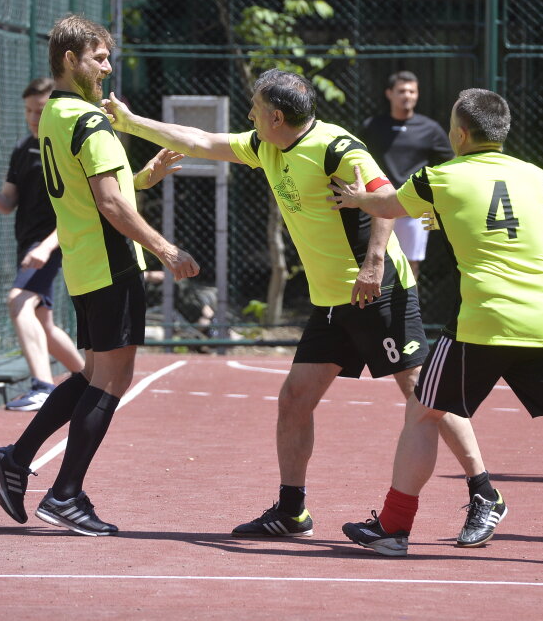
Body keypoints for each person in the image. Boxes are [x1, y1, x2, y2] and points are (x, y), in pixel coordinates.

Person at [105, 69, 503, 547]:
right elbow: (201, 139)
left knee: (425, 398)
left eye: (254, 106)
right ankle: (292, 510)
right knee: (295, 399)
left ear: (275, 115)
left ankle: (486, 494)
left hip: (377, 291)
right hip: (332, 301)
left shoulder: (337, 147)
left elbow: (386, 200)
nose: (248, 113)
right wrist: (131, 123)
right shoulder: (264, 144)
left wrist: (374, 264)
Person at [333, 88, 543, 567]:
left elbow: (386, 207)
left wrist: (354, 196)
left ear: (461, 134)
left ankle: (393, 527)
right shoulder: (536, 176)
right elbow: (495, 222)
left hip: (483, 321)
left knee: (423, 413)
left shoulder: (438, 176)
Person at [0, 15, 199, 536]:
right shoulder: (91, 121)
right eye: (97, 57)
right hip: (111, 263)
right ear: (68, 60)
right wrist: (166, 248)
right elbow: (109, 203)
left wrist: (147, 174)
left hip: (84, 265)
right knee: (113, 379)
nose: (107, 65)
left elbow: (93, 190)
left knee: (90, 375)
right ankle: (65, 493)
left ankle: (17, 458)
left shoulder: (56, 114)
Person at [0, 77, 87, 411]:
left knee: (18, 301)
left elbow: (76, 214)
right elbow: (8, 203)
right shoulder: (22, 149)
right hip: (30, 246)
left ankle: (44, 386)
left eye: (40, 111)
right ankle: (91, 383)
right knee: (44, 324)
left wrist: (47, 247)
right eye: (28, 111)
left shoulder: (64, 152)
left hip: (54, 242)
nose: (33, 118)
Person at [359, 71, 453, 278]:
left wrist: (432, 196)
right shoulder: (372, 127)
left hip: (414, 210)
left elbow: (450, 164)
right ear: (389, 94)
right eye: (402, 91)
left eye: (412, 91)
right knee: (375, 261)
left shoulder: (430, 129)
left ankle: (408, 310)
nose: (407, 95)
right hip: (378, 206)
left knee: (410, 267)